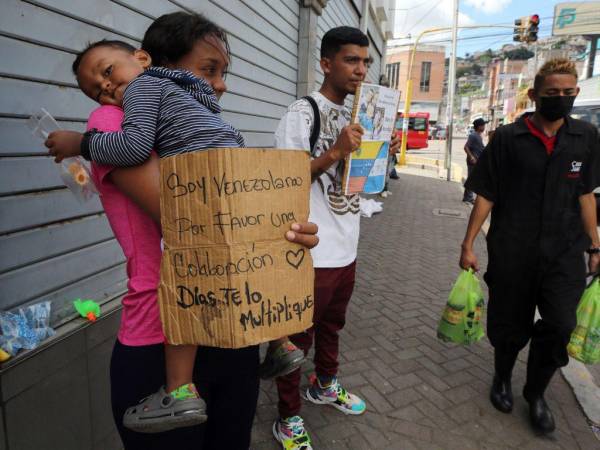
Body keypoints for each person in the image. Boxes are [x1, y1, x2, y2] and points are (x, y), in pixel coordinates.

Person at [45, 12, 318, 448]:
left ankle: (276, 345)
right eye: (208, 70)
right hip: (164, 331)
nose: (221, 85)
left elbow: (232, 220)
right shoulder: (110, 121)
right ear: (159, 66)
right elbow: (188, 217)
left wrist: (285, 233)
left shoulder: (194, 121)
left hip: (230, 320)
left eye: (223, 73)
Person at [272, 26, 400, 449]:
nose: (361, 70)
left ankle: (324, 385)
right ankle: (287, 418)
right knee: (296, 339)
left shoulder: (360, 114)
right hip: (309, 251)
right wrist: (335, 151)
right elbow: (282, 179)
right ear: (326, 63)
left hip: (346, 245)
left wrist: (379, 155)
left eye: (366, 62)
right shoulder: (303, 113)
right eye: (351, 60)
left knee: (333, 326)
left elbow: (358, 184)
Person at [460, 59, 600, 434]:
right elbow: (486, 193)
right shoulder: (508, 137)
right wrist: (468, 243)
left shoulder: (585, 137)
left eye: (569, 93)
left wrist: (596, 247)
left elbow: (587, 194)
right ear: (534, 95)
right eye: (553, 93)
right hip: (513, 251)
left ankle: (536, 392)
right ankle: (502, 377)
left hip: (565, 253)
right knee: (508, 326)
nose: (561, 99)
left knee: (559, 325)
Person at [462, 118, 486, 204]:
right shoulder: (473, 135)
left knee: (472, 179)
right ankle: (469, 198)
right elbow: (466, 147)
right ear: (479, 126)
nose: (484, 127)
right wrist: (472, 157)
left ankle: (467, 197)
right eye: (483, 125)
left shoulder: (478, 135)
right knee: (472, 179)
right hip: (473, 161)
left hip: (477, 161)